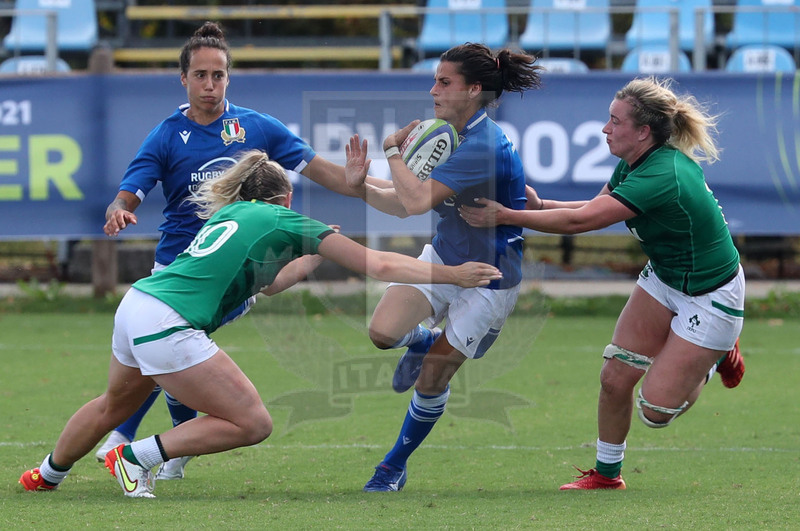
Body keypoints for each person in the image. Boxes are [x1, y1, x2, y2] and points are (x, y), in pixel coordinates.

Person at [19, 150, 502, 498]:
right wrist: (451, 274)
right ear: (285, 196)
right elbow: (379, 264)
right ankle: (134, 457)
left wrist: (312, 255)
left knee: (111, 405)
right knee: (252, 422)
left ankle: (46, 474)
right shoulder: (282, 219)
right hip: (168, 324)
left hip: (137, 306)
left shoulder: (231, 216)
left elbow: (268, 284)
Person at [96, 20, 396, 479]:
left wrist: (367, 187)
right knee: (176, 351)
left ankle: (135, 440)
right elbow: (131, 189)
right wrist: (120, 209)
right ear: (184, 78)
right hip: (175, 265)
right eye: (201, 75)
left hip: (235, 269)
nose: (210, 84)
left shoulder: (257, 126)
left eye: (219, 75)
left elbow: (325, 172)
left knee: (175, 352)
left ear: (228, 77)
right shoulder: (165, 135)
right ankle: (160, 449)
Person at [459, 76, 745, 490]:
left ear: (643, 131)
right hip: (665, 279)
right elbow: (595, 207)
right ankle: (607, 475)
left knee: (655, 412)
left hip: (711, 296)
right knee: (614, 378)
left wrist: (507, 215)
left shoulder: (663, 173)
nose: (605, 129)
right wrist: (537, 205)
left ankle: (713, 358)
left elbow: (582, 222)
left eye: (615, 121)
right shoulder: (636, 159)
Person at [344, 43, 543, 492]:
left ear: (474, 89)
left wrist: (393, 152)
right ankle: (422, 339)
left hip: (489, 279)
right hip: (446, 257)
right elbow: (402, 204)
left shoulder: (484, 144)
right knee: (381, 333)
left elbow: (412, 201)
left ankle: (394, 464)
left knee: (433, 377)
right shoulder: (447, 133)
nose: (433, 89)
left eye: (444, 82)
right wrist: (361, 188)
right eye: (435, 80)